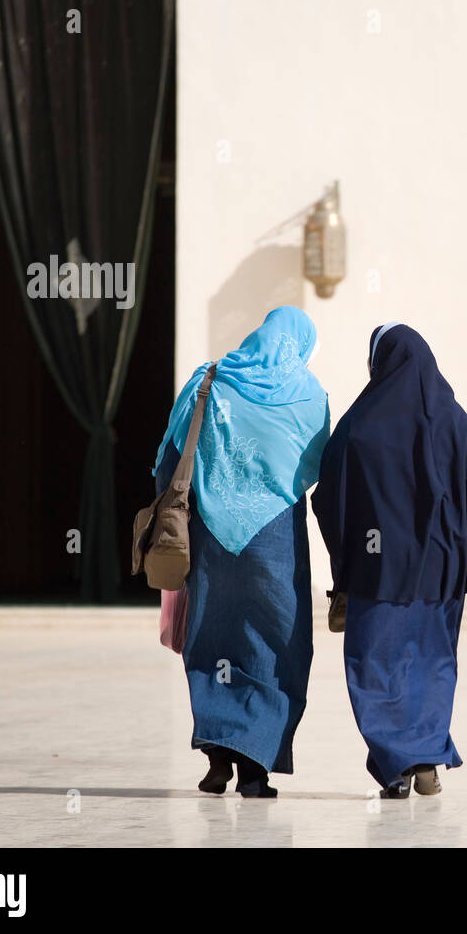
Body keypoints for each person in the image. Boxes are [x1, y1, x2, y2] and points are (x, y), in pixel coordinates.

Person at [312, 323, 467, 798]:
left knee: (376, 664)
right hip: (441, 570)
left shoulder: (359, 423)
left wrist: (344, 561)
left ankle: (396, 763)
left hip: (375, 569)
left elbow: (328, 498)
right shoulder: (453, 419)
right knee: (432, 661)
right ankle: (425, 757)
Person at [153, 306, 329, 797]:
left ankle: (218, 754)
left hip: (211, 537)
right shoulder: (308, 396)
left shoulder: (208, 379)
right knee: (276, 642)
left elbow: (171, 457)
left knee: (213, 636)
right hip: (276, 543)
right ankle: (256, 767)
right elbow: (318, 467)